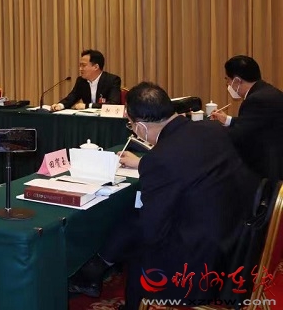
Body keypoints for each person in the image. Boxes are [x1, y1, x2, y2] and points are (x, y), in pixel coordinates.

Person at [68, 82, 258, 308]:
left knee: (138, 239)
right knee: (133, 221)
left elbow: (153, 230)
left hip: (198, 260)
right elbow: (189, 165)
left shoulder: (161, 158)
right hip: (238, 236)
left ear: (141, 126)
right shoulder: (211, 129)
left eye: (131, 125)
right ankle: (98, 267)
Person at [210, 55, 283, 181]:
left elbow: (238, 136)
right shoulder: (266, 91)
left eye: (228, 80)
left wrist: (208, 129)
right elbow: (255, 122)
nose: (228, 85)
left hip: (268, 168)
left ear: (237, 81)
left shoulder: (256, 100)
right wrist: (228, 120)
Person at [51, 49, 121, 110]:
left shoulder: (112, 80)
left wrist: (88, 106)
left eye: (83, 65)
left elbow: (113, 104)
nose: (80, 69)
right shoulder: (81, 81)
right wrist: (60, 105)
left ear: (96, 67)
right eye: (80, 65)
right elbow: (72, 97)